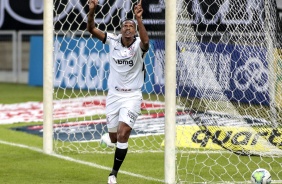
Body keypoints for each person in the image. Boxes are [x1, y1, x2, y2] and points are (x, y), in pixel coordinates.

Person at [87, 0, 149, 183]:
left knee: (123, 134)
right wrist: (92, 11)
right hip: (114, 95)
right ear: (121, 30)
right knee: (114, 137)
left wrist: (139, 19)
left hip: (132, 95)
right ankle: (110, 138)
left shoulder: (139, 45)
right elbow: (91, 29)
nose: (128, 28)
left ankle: (113, 174)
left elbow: (146, 41)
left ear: (135, 31)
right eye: (125, 26)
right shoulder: (112, 40)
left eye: (131, 26)